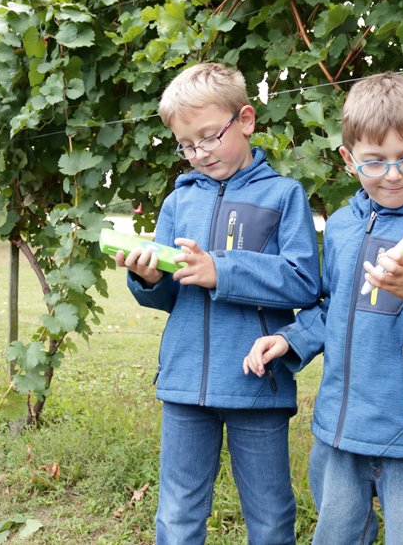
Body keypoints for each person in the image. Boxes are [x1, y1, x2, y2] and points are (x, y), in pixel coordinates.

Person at [243, 72, 403, 544]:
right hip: (339, 430)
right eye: (374, 162)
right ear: (349, 159)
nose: (393, 175)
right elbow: (333, 307)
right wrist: (289, 338)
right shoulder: (340, 228)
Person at [116, 62, 321, 545]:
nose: (199, 154)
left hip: (256, 384)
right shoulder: (178, 201)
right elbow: (169, 294)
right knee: (178, 512)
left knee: (270, 515)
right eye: (186, 145)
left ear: (245, 120)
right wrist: (146, 277)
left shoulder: (284, 196)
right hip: (184, 383)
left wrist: (221, 270)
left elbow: (303, 282)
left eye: (209, 137)